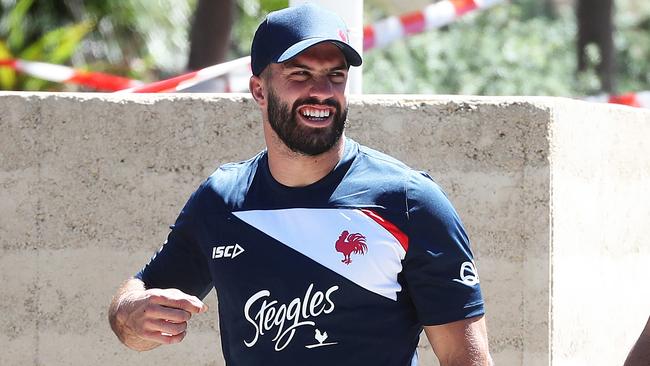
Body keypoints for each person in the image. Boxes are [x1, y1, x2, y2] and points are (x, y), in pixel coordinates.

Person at [108, 4, 492, 365]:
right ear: (259, 90)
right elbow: (135, 308)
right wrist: (130, 314)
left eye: (335, 76)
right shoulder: (222, 201)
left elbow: (466, 358)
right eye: (300, 74)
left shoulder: (410, 202)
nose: (322, 92)